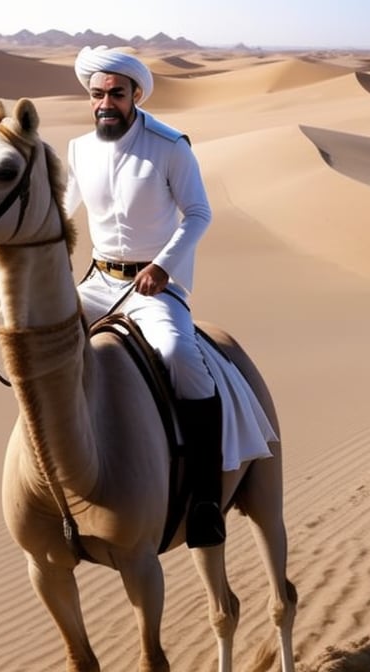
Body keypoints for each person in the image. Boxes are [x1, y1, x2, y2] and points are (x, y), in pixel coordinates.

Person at [63, 45, 224, 548]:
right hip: (97, 284)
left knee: (180, 355)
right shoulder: (80, 149)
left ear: (136, 94)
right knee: (41, 339)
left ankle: (205, 498)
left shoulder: (170, 146)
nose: (105, 103)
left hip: (151, 286)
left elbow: (199, 213)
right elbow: (62, 210)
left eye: (115, 93)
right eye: (97, 94)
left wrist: (162, 266)